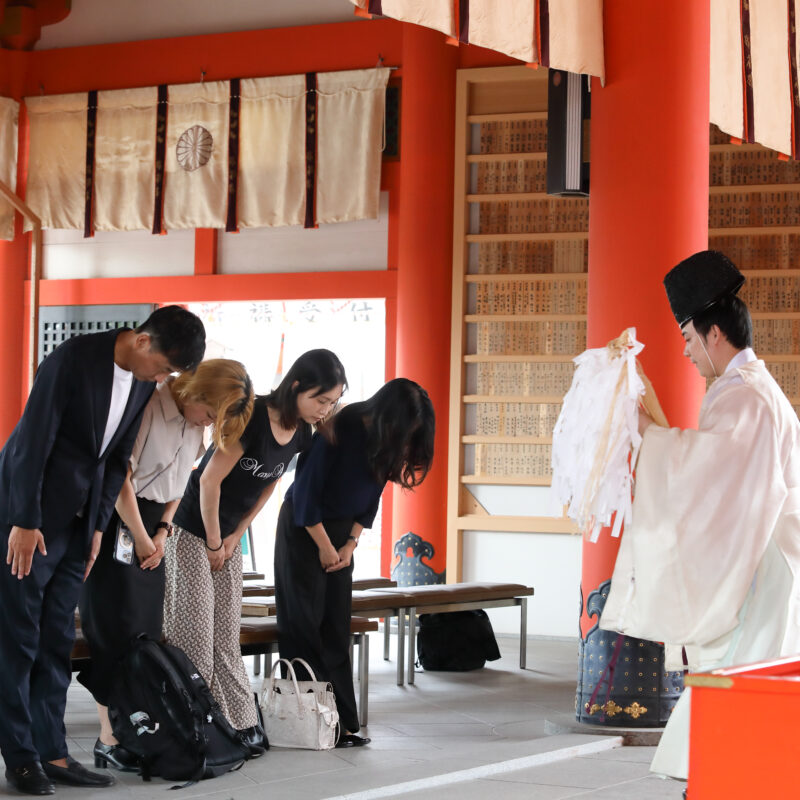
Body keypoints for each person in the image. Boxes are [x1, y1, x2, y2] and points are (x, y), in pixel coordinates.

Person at [599, 250, 800, 784]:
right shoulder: (752, 391)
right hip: (763, 565)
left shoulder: (746, 397)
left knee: (732, 693)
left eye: (688, 338)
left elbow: (708, 477)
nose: (686, 351)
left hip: (757, 574)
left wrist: (648, 436)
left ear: (714, 334)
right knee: (737, 698)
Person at [0, 305, 205, 796]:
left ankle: (53, 751)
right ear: (142, 341)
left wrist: (95, 530)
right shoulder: (72, 360)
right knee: (18, 639)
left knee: (55, 642)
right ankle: (20, 757)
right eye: (164, 367)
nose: (164, 379)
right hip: (31, 519)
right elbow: (32, 441)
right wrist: (23, 520)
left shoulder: (140, 382)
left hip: (80, 524)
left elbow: (114, 459)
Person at [163, 348, 347, 756]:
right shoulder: (253, 415)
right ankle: (194, 728)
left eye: (332, 402)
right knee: (194, 638)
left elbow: (270, 485)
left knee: (226, 636)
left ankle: (240, 724)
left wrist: (236, 536)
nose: (325, 409)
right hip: (192, 528)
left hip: (227, 536)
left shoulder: (301, 432)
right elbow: (208, 482)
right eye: (320, 399)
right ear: (297, 386)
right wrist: (213, 540)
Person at [77, 359, 254, 772]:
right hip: (116, 520)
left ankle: (138, 731)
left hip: (154, 529)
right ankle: (109, 736)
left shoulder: (195, 425)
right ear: (197, 393)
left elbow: (181, 481)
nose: (208, 424)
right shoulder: (149, 404)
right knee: (113, 632)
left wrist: (160, 532)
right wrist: (142, 536)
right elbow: (119, 476)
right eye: (209, 414)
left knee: (146, 634)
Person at [275, 377, 435, 747]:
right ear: (386, 414)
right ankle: (308, 723)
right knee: (304, 625)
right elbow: (306, 491)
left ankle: (343, 722)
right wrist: (325, 546)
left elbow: (371, 496)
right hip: (304, 531)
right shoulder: (340, 426)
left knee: (335, 627)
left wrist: (349, 543)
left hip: (341, 536)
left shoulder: (385, 442)